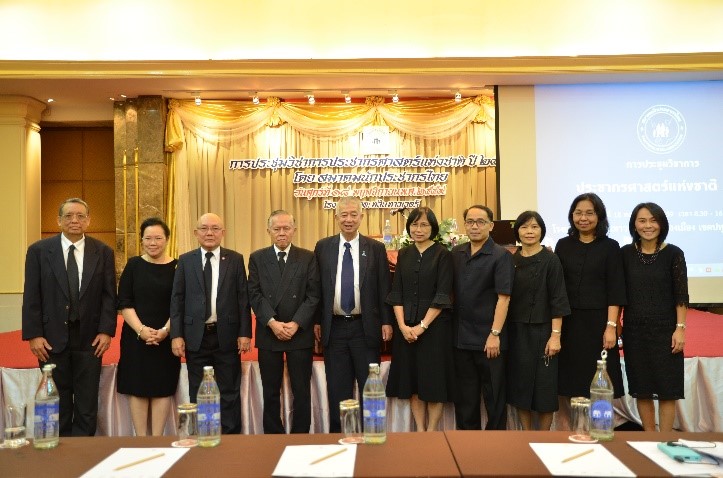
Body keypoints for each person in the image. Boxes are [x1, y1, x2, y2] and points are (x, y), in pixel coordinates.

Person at [22, 198, 116, 436]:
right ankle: (60, 451)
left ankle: (82, 452)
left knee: (87, 404)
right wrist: (34, 335)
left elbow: (109, 295)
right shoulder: (39, 251)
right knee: (57, 402)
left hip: (90, 339)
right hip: (50, 339)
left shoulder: (103, 252)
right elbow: (32, 295)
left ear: (88, 220)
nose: (75, 220)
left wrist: (106, 330)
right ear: (58, 220)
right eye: (69, 216)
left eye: (81, 216)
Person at [313, 196, 393, 433]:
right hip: (334, 328)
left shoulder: (375, 248)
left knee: (370, 389)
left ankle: (373, 436)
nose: (348, 219)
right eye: (344, 215)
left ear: (361, 217)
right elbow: (317, 288)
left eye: (353, 214)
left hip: (365, 328)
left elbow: (384, 288)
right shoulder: (323, 247)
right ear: (336, 217)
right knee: (338, 391)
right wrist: (317, 320)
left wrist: (386, 321)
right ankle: (341, 437)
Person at [170, 213, 252, 434]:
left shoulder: (235, 259)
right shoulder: (185, 260)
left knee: (229, 390)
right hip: (195, 336)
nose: (209, 233)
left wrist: (245, 333)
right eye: (204, 228)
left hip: (226, 335)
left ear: (223, 233)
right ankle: (202, 435)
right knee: (198, 391)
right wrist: (176, 335)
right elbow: (177, 299)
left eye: (215, 228)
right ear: (196, 233)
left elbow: (243, 299)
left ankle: (231, 436)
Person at [248, 210, 320, 434]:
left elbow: (313, 295)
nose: (282, 233)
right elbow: (254, 294)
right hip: (269, 332)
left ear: (294, 230)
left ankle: (301, 436)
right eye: (277, 229)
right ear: (268, 231)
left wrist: (296, 323)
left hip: (299, 332)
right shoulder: (257, 258)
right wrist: (272, 323)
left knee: (301, 390)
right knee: (270, 391)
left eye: (286, 228)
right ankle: (273, 436)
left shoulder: (307, 257)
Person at [385, 207, 454, 432]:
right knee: (412, 383)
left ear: (433, 227)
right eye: (414, 224)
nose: (419, 229)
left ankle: (431, 432)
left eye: (424, 225)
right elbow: (396, 293)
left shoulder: (443, 254)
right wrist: (403, 326)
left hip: (434, 330)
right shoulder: (404, 254)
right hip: (406, 330)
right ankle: (420, 431)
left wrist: (422, 327)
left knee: (433, 384)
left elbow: (442, 295)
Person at [621, 202, 688, 432]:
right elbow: (618, 292)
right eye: (642, 220)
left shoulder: (674, 254)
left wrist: (680, 328)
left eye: (653, 220)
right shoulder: (625, 254)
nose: (648, 225)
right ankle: (649, 438)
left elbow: (681, 295)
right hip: (634, 330)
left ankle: (665, 439)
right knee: (642, 389)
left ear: (662, 224)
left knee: (668, 390)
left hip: (666, 331)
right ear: (634, 225)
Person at [554, 193, 626, 405]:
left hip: (598, 324)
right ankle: (577, 423)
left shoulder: (611, 247)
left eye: (589, 213)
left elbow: (615, 290)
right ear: (572, 216)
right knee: (572, 380)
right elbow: (557, 286)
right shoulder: (563, 245)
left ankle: (598, 423)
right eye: (578, 213)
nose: (583, 218)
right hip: (569, 322)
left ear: (599, 216)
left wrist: (611, 326)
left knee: (599, 381)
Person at [451, 205, 514, 430]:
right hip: (462, 340)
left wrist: (495, 334)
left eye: (480, 222)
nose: (474, 226)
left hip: (490, 340)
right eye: (470, 222)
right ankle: (467, 446)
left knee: (494, 399)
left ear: (491, 225)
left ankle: (495, 446)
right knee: (465, 401)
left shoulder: (501, 256)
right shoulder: (456, 253)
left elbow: (504, 298)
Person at [506, 211, 570, 430]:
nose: (529, 232)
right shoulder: (511, 260)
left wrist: (555, 336)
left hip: (544, 331)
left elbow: (558, 299)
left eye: (534, 227)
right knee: (520, 387)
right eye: (524, 227)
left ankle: (544, 436)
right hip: (516, 332)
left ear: (542, 231)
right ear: (517, 231)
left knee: (544, 388)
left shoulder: (551, 260)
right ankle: (526, 434)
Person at [116, 217, 180, 436]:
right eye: (148, 238)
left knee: (162, 387)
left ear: (167, 239)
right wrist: (142, 330)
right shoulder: (133, 265)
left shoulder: (178, 266)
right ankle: (141, 440)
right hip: (136, 337)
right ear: (141, 240)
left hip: (167, 338)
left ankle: (157, 439)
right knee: (138, 388)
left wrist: (165, 331)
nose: (153, 243)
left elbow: (180, 304)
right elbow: (124, 303)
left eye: (158, 238)